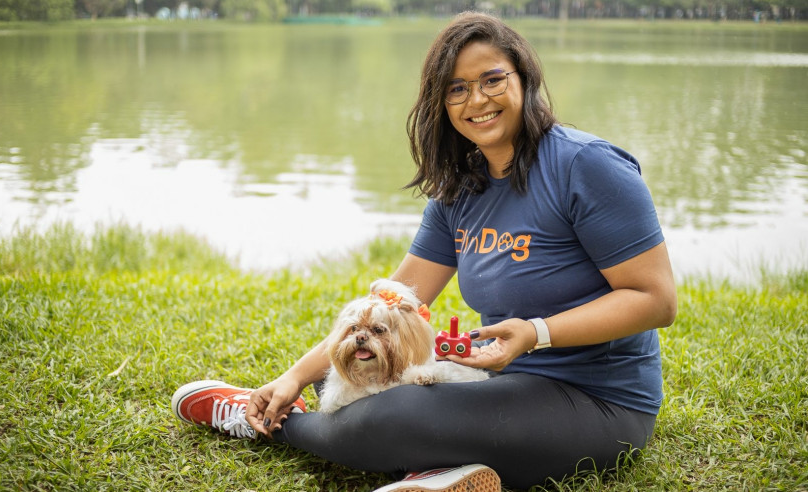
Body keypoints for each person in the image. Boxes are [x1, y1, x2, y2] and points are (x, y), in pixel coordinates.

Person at [171, 11, 677, 491]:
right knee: (365, 388)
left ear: (524, 79)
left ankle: (269, 425)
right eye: (457, 88)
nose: (477, 100)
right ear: (442, 103)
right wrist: (293, 377)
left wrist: (536, 333)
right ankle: (438, 470)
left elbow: (656, 300)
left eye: (492, 80)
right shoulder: (461, 190)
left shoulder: (585, 166)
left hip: (600, 402)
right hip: (500, 384)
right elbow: (393, 303)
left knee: (390, 417)